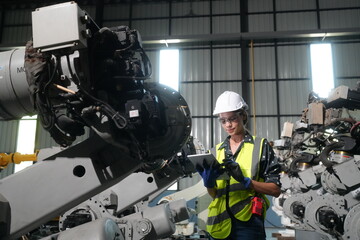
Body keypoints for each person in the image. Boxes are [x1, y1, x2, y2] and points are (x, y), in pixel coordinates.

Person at [196, 91, 281, 240]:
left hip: (248, 223)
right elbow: (215, 194)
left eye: (232, 119)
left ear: (243, 115)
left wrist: (246, 181)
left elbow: (275, 190)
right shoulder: (215, 151)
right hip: (219, 223)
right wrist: (209, 184)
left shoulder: (260, 146)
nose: (228, 125)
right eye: (223, 121)